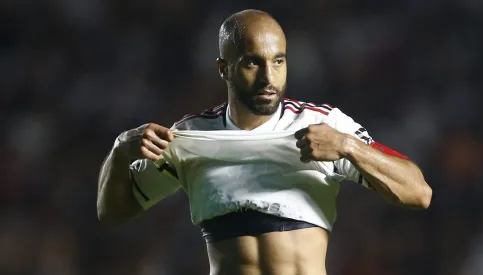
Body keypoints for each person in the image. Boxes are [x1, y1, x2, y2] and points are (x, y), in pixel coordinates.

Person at [97, 9, 432, 275]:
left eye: (278, 61)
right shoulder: (188, 137)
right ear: (223, 68)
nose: (268, 77)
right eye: (252, 62)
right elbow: (111, 213)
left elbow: (419, 192)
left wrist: (349, 146)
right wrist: (121, 147)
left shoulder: (324, 125)